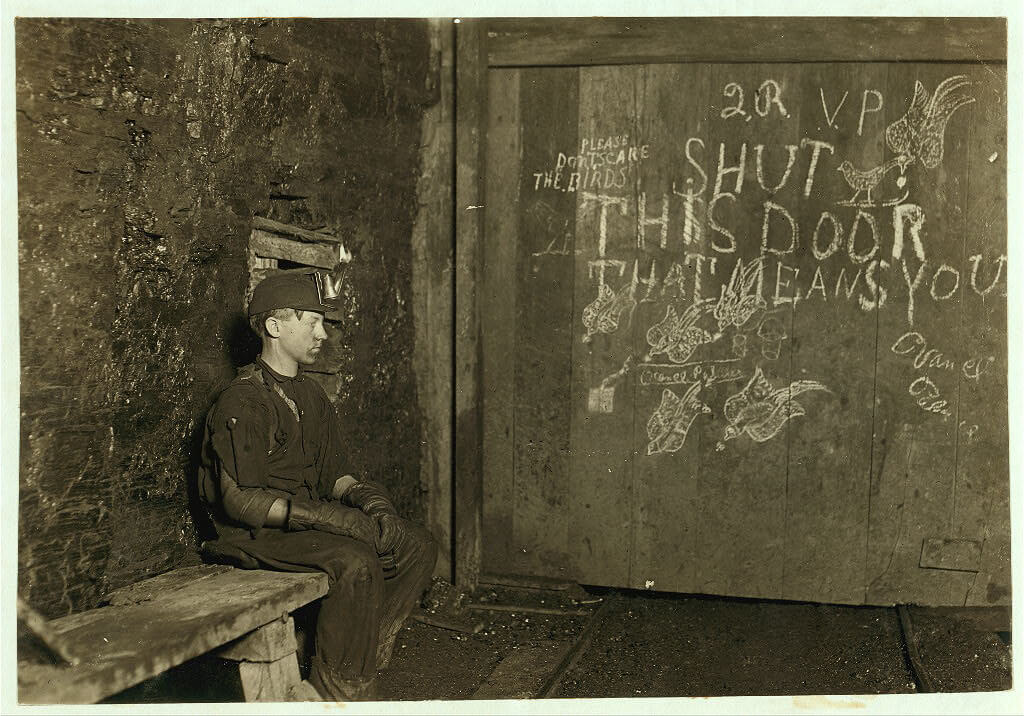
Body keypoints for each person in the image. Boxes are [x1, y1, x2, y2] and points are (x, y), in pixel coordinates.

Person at [197, 270, 437, 701]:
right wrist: (326, 516)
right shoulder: (243, 399)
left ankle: (358, 656)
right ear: (275, 326)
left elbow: (334, 475)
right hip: (253, 536)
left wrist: (371, 502)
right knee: (356, 561)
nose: (322, 333)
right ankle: (333, 693)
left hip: (301, 529)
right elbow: (238, 501)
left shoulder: (311, 396)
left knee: (416, 544)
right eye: (311, 321)